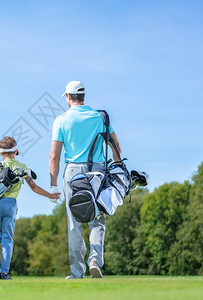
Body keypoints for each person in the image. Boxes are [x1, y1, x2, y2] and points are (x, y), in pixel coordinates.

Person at [49, 81, 122, 279]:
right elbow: (116, 147)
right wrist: (116, 172)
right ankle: (95, 260)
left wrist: (53, 184)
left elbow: (54, 157)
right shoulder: (100, 117)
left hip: (73, 172)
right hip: (97, 172)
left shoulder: (61, 120)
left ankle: (77, 272)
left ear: (68, 97)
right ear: (83, 96)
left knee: (75, 223)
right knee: (97, 220)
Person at [0, 136, 60, 280]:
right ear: (16, 151)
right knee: (7, 238)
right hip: (11, 204)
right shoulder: (23, 167)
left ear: (1, 153)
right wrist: (51, 195)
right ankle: (5, 273)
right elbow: (34, 187)